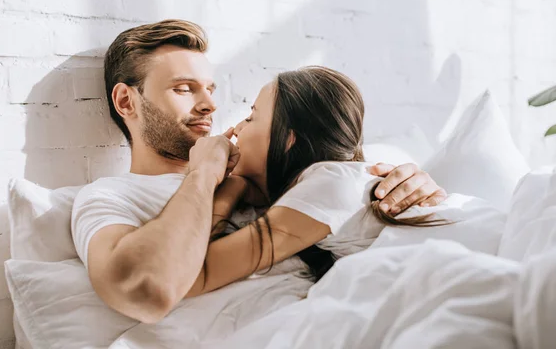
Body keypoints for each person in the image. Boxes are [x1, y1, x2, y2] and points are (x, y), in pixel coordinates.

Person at [71, 19, 447, 324]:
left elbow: (351, 177)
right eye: (185, 89)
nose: (210, 105)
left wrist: (415, 182)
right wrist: (204, 175)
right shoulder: (108, 199)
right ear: (126, 101)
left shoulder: (272, 170)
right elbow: (144, 290)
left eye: (210, 89)